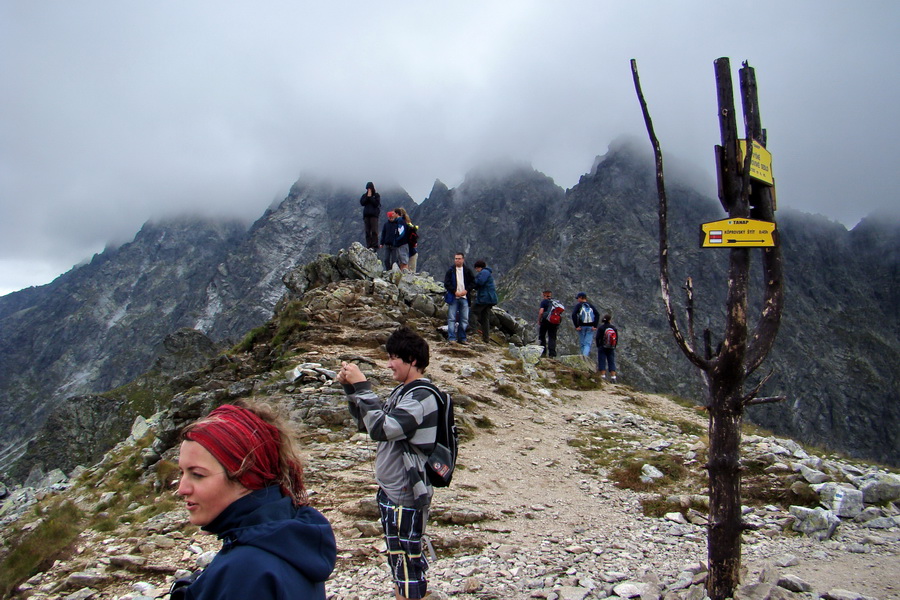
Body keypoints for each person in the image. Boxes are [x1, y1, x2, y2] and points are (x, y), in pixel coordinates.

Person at [174, 402, 337, 600]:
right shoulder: (291, 539)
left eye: (198, 474)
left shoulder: (244, 571)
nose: (182, 489)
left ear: (246, 477)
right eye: (182, 472)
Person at [337, 327, 440, 600]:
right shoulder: (404, 392)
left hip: (406, 492)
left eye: (394, 357)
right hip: (393, 490)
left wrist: (362, 385)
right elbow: (368, 425)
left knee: (406, 561)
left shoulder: (422, 396)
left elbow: (384, 429)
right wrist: (351, 389)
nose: (388, 363)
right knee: (399, 561)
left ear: (413, 360)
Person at [443, 252, 475, 344]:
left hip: (464, 297)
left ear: (463, 259)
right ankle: (451, 338)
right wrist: (454, 291)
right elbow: (446, 283)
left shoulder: (467, 271)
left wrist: (467, 290)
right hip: (454, 297)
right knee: (451, 318)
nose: (457, 260)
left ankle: (462, 338)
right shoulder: (451, 270)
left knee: (464, 318)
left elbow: (473, 282)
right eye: (456, 258)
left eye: (459, 258)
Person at [472, 260, 498, 343]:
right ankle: (486, 338)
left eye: (476, 269)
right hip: (490, 299)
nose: (476, 271)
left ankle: (473, 332)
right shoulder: (487, 272)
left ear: (479, 267)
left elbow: (480, 282)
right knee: (485, 317)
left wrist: (472, 281)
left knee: (472, 312)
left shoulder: (484, 272)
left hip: (484, 298)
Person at [571, 292, 599, 356]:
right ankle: (585, 356)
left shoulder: (579, 305)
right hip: (590, 327)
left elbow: (573, 315)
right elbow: (597, 314)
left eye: (578, 298)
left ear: (581, 297)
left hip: (581, 326)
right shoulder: (590, 305)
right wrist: (595, 326)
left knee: (582, 343)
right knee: (587, 344)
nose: (577, 300)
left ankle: (583, 357)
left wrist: (577, 326)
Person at [394, 207, 417, 272]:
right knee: (404, 264)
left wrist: (397, 240)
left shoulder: (401, 222)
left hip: (409, 251)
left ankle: (404, 277)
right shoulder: (408, 224)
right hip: (412, 251)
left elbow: (401, 234)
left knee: (404, 263)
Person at [537, 290, 560, 358]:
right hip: (554, 322)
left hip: (545, 321)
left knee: (542, 335)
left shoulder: (544, 302)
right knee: (552, 337)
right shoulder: (555, 302)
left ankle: (543, 352)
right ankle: (552, 353)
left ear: (544, 295)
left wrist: (539, 320)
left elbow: (541, 312)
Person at [597, 313, 618, 382]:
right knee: (611, 361)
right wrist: (614, 346)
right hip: (611, 347)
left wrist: (598, 345)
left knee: (602, 360)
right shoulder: (613, 328)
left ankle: (603, 376)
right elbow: (616, 338)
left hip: (602, 346)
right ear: (610, 320)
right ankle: (613, 377)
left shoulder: (601, 328)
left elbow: (598, 338)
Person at [361, 182, 381, 250]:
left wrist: (370, 197)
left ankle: (375, 245)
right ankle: (369, 245)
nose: (368, 190)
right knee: (367, 231)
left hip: (374, 215)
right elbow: (362, 202)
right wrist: (367, 197)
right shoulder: (364, 195)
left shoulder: (376, 195)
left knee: (374, 230)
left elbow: (376, 204)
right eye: (367, 188)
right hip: (366, 215)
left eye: (370, 188)